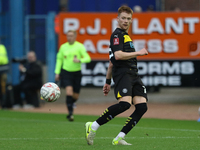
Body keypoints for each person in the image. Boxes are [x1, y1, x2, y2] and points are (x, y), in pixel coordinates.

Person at [85, 5, 148, 145]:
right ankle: (93, 125)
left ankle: (120, 137)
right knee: (125, 104)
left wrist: (107, 81)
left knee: (142, 107)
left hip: (133, 75)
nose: (126, 21)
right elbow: (118, 56)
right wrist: (139, 53)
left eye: (128, 19)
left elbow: (111, 61)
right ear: (117, 19)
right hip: (123, 74)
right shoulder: (117, 35)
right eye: (123, 18)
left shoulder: (125, 36)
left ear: (131, 21)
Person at [55, 30, 91, 121]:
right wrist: (57, 72)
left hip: (77, 73)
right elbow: (59, 60)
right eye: (68, 36)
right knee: (69, 92)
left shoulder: (79, 46)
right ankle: (70, 114)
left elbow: (88, 58)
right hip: (66, 72)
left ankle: (71, 103)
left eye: (71, 36)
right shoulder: (63, 47)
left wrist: (79, 60)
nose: (69, 37)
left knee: (75, 96)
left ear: (75, 36)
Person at [0, 41, 9, 108]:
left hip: (3, 70)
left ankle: (4, 104)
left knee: (3, 87)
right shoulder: (3, 47)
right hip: (4, 69)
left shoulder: (2, 47)